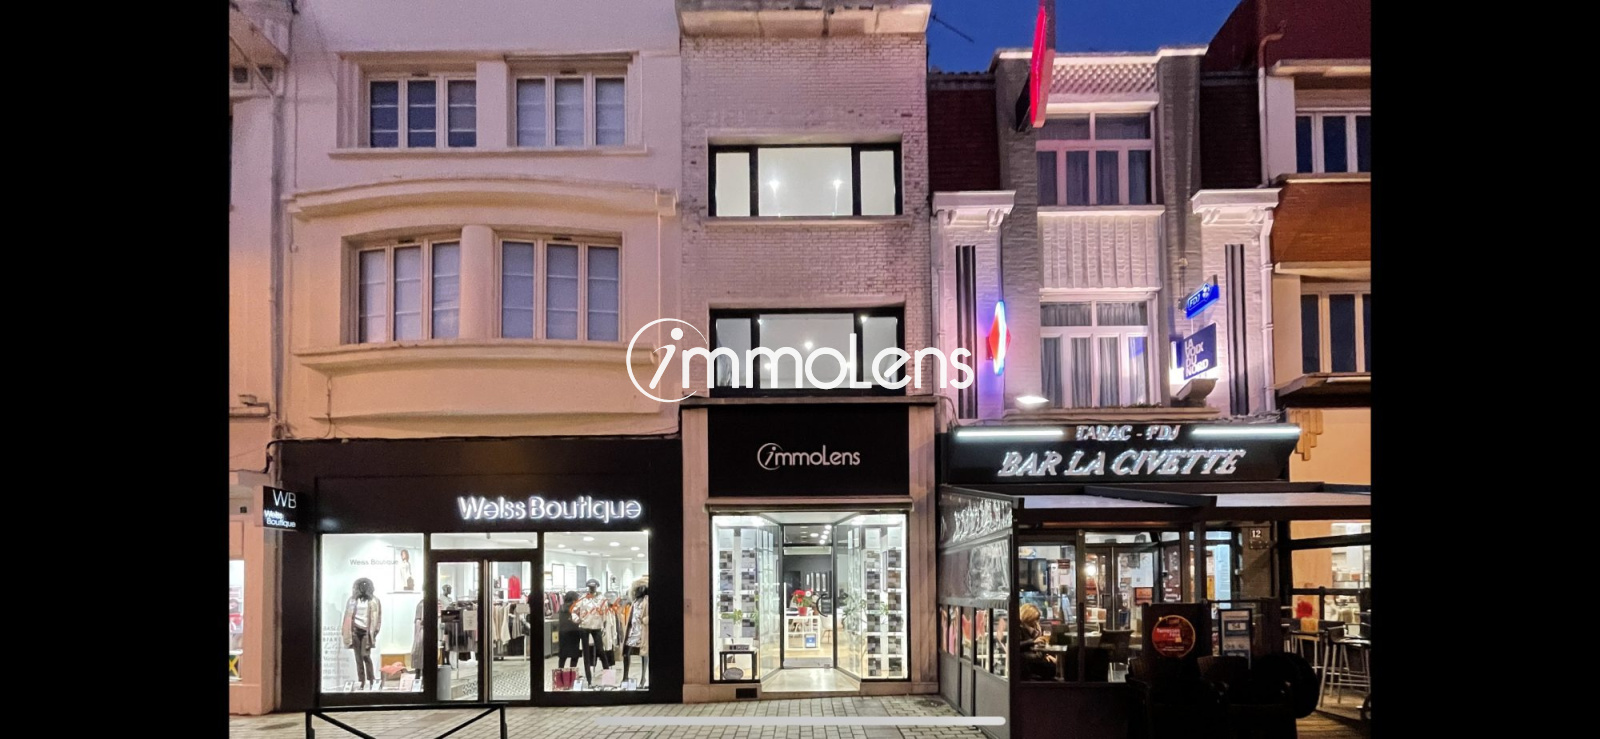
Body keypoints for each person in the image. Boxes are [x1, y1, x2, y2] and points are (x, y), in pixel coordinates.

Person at [341, 578, 383, 691]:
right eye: (361, 585)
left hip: (366, 632)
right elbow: (347, 616)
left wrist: (375, 631)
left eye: (366, 585)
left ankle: (372, 680)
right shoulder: (352, 600)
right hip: (355, 631)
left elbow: (378, 618)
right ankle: (361, 682)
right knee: (358, 658)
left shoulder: (374, 601)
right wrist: (345, 631)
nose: (363, 587)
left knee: (365, 655)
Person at [1017, 604, 1056, 680]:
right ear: (1029, 617)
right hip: (1024, 659)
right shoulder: (1018, 628)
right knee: (1051, 668)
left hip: (1032, 656)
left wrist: (1046, 655)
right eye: (1035, 619)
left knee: (1052, 666)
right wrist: (1033, 641)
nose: (1036, 621)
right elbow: (1016, 645)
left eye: (1037, 619)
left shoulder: (1034, 628)